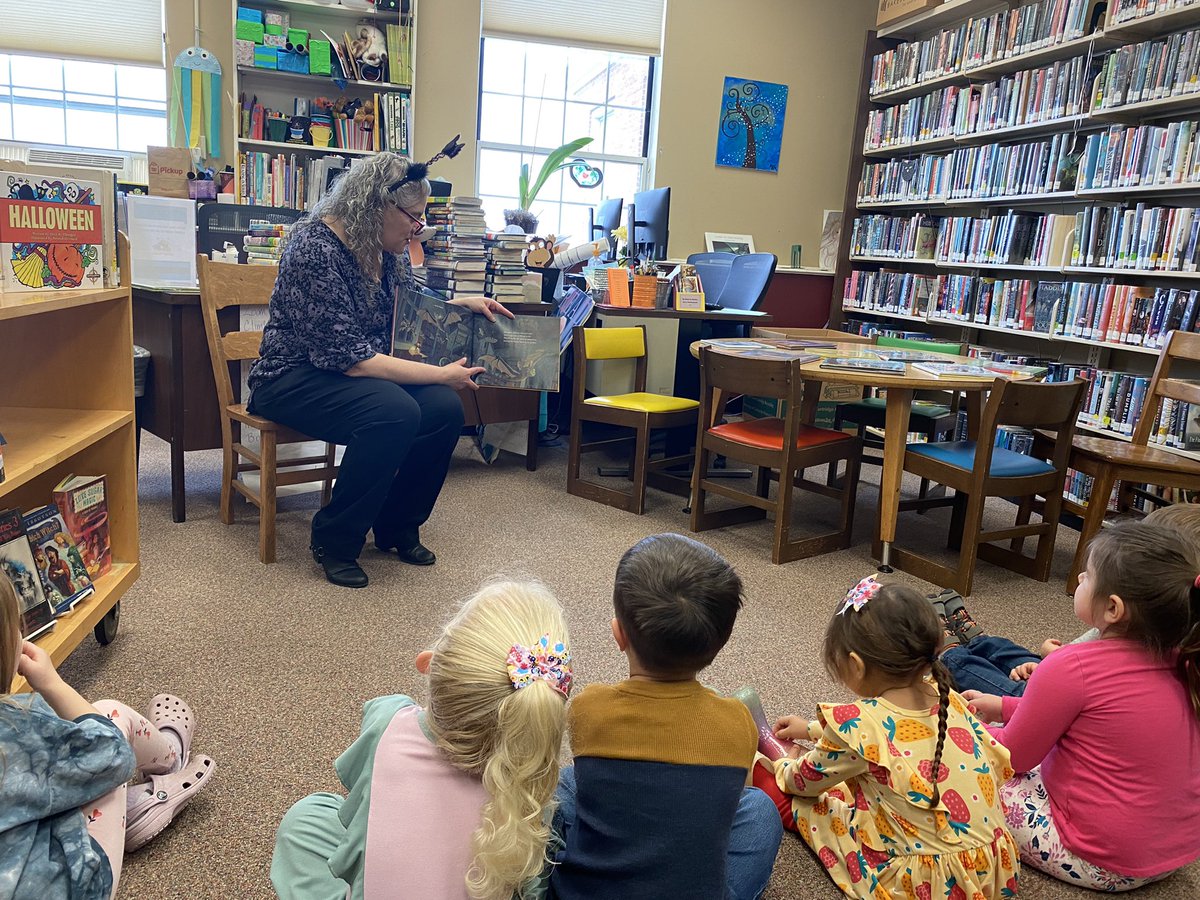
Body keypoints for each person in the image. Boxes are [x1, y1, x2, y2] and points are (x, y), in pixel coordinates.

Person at [247, 142, 513, 589]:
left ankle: (396, 527)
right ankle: (335, 539)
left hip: (351, 372)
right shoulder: (314, 246)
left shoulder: (385, 252)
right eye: (413, 218)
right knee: (394, 410)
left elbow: (406, 311)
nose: (419, 227)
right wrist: (442, 374)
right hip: (290, 376)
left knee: (444, 410)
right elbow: (349, 359)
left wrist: (457, 303)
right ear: (376, 205)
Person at [271, 580, 571, 900]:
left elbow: (360, 814)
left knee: (307, 819)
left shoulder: (386, 721)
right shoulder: (535, 790)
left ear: (428, 665)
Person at [963, 520, 1200, 891]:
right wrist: (1006, 707)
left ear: (1113, 608)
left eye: (1087, 577)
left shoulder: (1070, 664)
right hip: (1168, 857)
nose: (1079, 578)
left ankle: (952, 653)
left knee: (961, 767)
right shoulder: (1185, 660)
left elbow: (1010, 758)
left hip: (1099, 858)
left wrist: (970, 731)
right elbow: (1094, 720)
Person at [547, 533, 784, 900]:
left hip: (582, 893)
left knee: (567, 781)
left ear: (618, 634)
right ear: (720, 645)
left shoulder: (587, 707)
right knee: (759, 810)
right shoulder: (738, 721)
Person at [752, 577, 1018, 900]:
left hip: (929, 886)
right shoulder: (949, 698)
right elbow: (897, 740)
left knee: (825, 804)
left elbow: (803, 782)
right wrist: (811, 729)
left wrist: (785, 766)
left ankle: (781, 804)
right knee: (877, 778)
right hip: (993, 869)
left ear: (856, 665)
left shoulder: (859, 725)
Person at [0, 572, 216, 898]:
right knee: (110, 717)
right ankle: (170, 757)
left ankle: (131, 805)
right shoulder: (18, 729)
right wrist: (51, 683)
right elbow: (112, 754)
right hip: (69, 887)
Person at [937, 502, 1200, 697]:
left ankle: (951, 654)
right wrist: (1056, 659)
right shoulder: (1148, 621)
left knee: (1005, 685)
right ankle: (978, 640)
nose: (1081, 576)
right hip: (1076, 677)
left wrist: (1057, 662)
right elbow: (1084, 653)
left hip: (1069, 696)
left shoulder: (1148, 651)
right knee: (1010, 651)